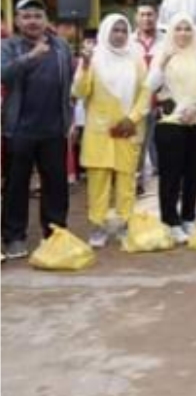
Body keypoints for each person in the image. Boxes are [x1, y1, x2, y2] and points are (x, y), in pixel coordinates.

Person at [1, 0, 74, 259]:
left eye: (37, 16)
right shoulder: (8, 46)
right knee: (16, 185)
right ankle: (14, 237)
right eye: (26, 16)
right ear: (18, 21)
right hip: (19, 129)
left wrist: (70, 118)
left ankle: (55, 233)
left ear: (46, 20)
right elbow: (3, 74)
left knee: (56, 184)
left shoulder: (61, 46)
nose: (32, 21)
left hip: (54, 128)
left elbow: (69, 81)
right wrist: (30, 57)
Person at [72, 14, 151, 248]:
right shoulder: (93, 59)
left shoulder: (136, 59)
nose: (119, 35)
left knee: (126, 179)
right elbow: (80, 91)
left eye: (123, 31)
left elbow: (145, 93)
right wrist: (84, 66)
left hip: (127, 130)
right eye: (115, 30)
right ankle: (98, 225)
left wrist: (132, 119)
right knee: (98, 180)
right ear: (106, 32)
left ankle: (125, 223)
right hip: (100, 131)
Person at [147, 13, 196, 243]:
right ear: (171, 32)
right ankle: (170, 220)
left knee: (193, 174)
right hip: (170, 125)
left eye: (187, 29)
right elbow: (151, 86)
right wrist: (164, 60)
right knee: (171, 176)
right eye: (178, 28)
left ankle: (188, 218)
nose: (183, 33)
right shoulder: (162, 54)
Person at [131, 2, 161, 195]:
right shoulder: (129, 42)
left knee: (162, 144)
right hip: (136, 103)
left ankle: (166, 180)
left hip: (161, 101)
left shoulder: (166, 41)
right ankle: (136, 182)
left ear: (156, 16)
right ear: (136, 18)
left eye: (150, 14)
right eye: (142, 15)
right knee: (137, 145)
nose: (146, 19)